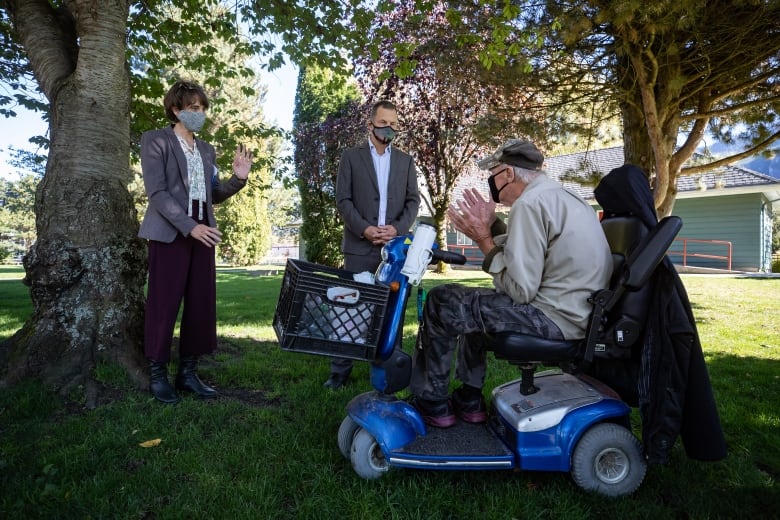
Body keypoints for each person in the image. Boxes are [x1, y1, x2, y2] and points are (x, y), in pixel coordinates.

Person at [408, 139, 613, 427]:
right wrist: (492, 225)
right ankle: (469, 400)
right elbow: (530, 251)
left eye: (491, 174)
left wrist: (483, 239)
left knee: (442, 301)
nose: (490, 182)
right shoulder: (560, 198)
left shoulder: (529, 204)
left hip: (554, 319)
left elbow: (520, 289)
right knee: (472, 306)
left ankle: (433, 402)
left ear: (507, 173)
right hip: (576, 314)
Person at [139, 80, 254, 404]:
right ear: (176, 109)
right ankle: (158, 374)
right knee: (164, 305)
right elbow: (157, 192)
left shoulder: (205, 150)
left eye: (202, 109)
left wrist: (238, 178)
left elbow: (212, 194)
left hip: (204, 233)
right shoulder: (155, 141)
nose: (199, 114)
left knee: (201, 304)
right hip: (170, 233)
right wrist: (191, 227)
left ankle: (188, 373)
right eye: (193, 108)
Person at [325, 100, 420, 389]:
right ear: (370, 124)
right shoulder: (351, 157)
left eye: (393, 124)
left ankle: (385, 368)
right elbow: (343, 200)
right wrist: (365, 229)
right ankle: (339, 373)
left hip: (393, 252)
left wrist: (398, 229)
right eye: (383, 123)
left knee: (390, 311)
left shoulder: (406, 161)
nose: (388, 128)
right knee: (349, 308)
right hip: (358, 246)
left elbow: (413, 201)